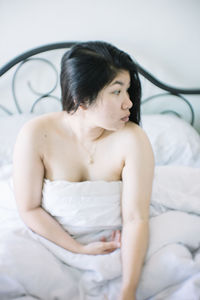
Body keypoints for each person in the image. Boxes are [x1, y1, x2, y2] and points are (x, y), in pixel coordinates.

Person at [13, 41, 154, 300]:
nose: (129, 103)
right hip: (50, 240)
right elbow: (28, 208)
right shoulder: (36, 134)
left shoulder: (133, 139)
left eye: (128, 91)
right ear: (81, 99)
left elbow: (136, 218)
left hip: (115, 244)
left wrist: (128, 291)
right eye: (116, 92)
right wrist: (78, 248)